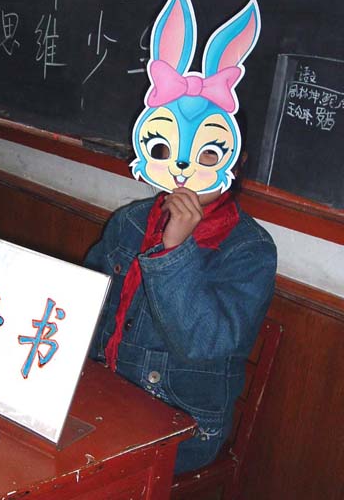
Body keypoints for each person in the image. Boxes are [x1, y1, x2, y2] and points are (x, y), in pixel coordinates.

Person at [84, 112, 277, 474]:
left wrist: (175, 249)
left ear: (237, 162)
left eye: (208, 153)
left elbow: (202, 344)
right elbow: (84, 300)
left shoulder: (250, 250)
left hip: (182, 424)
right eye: (172, 148)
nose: (185, 170)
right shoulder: (130, 222)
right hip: (103, 393)